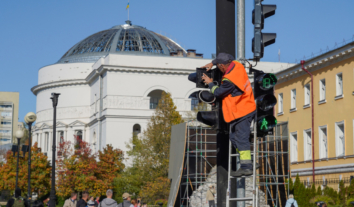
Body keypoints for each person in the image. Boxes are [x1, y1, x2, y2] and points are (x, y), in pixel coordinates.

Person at [200, 53, 256, 177]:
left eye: (218, 66)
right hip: (245, 108)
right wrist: (212, 63)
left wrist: (210, 83)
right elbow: (221, 60)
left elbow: (219, 93)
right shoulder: (237, 65)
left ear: (222, 66)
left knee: (241, 139)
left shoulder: (229, 80)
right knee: (234, 138)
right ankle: (248, 162)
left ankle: (246, 167)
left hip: (243, 111)